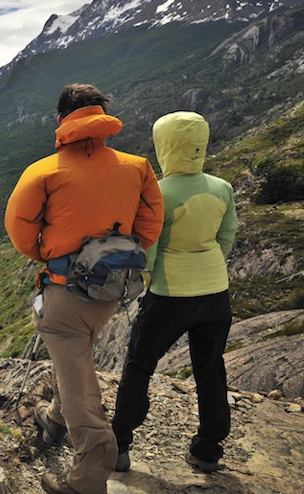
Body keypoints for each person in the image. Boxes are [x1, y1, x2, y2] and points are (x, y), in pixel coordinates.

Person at [5, 83, 164, 494]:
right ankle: (56, 421)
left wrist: (48, 253)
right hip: (111, 290)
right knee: (73, 356)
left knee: (76, 373)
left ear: (62, 121)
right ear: (102, 118)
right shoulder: (138, 166)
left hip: (64, 293)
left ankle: (88, 476)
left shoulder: (43, 171)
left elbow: (21, 232)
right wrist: (114, 255)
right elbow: (149, 226)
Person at [110, 111, 238, 474]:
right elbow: (226, 236)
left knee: (139, 366)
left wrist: (150, 280)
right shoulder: (222, 188)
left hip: (169, 293)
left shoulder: (158, 192)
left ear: (164, 145)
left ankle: (118, 445)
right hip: (215, 293)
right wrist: (206, 264)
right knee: (211, 369)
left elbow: (147, 248)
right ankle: (208, 449)